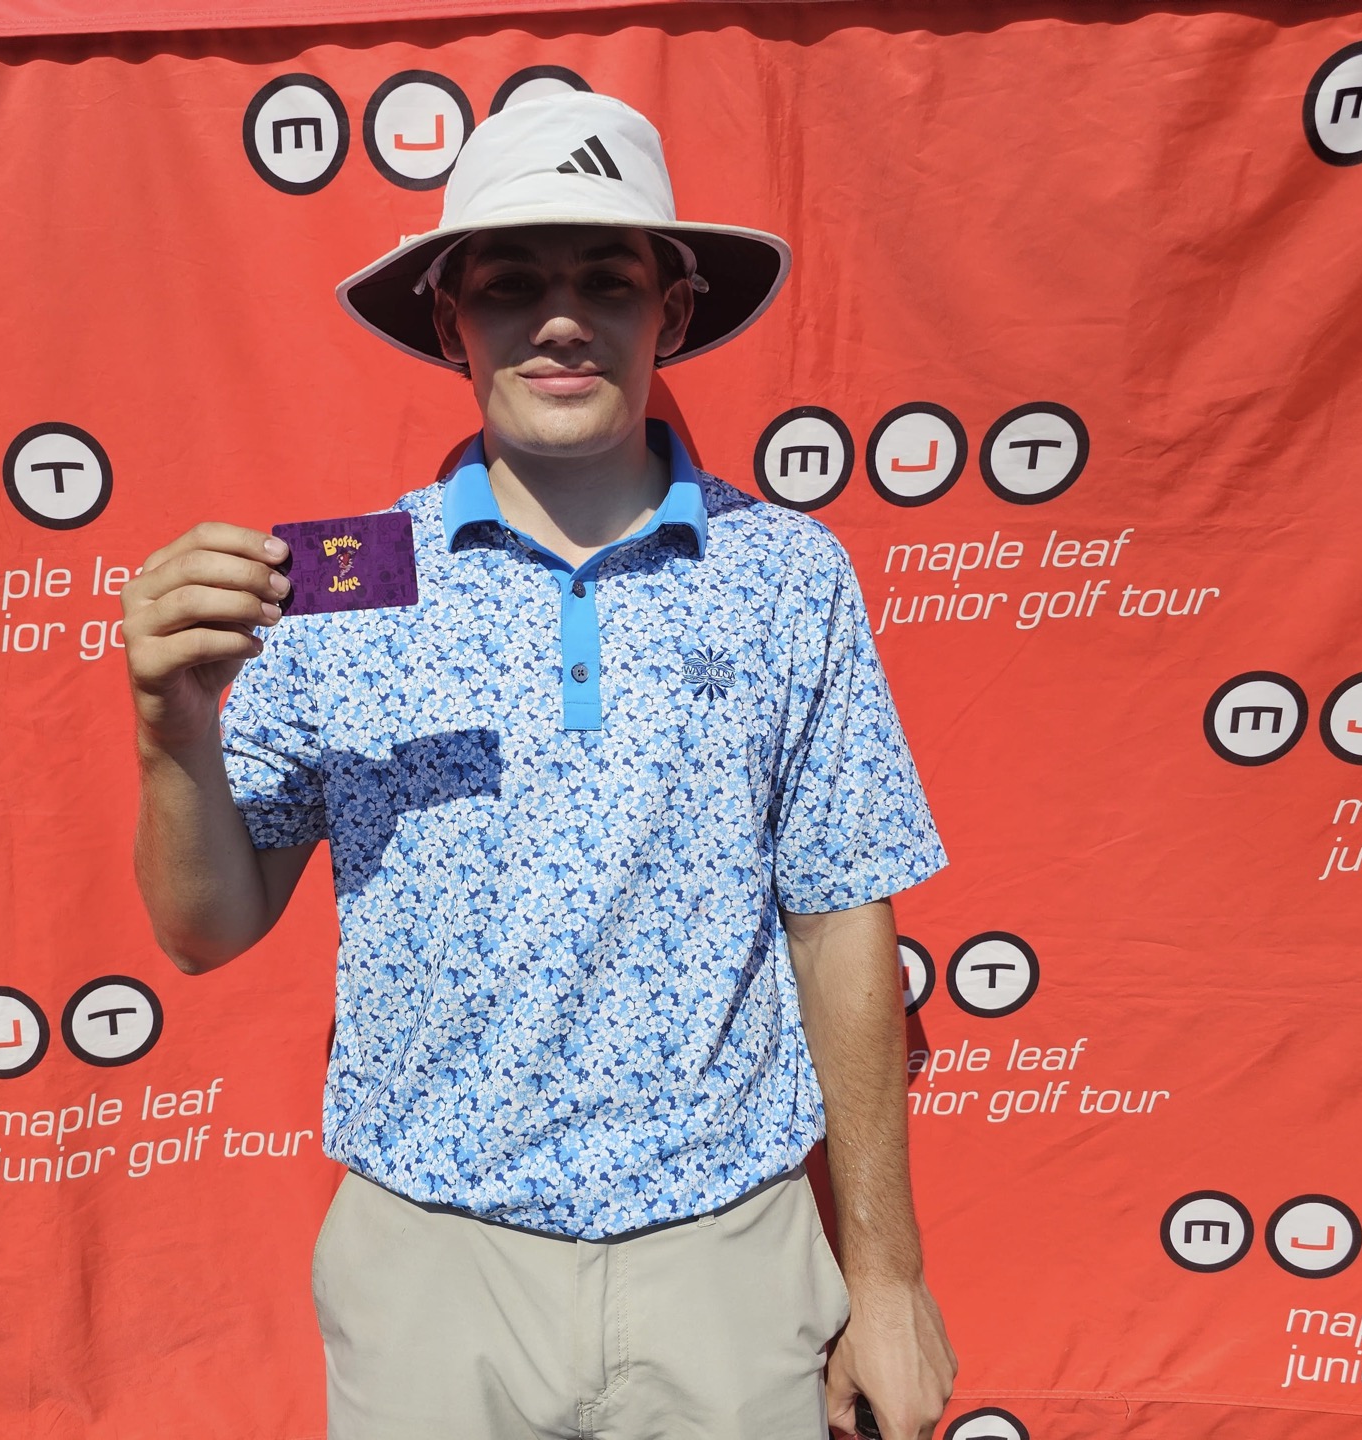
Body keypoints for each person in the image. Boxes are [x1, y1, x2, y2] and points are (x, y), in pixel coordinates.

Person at [120, 91, 956, 1440]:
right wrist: (172, 731)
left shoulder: (788, 576)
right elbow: (202, 930)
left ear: (672, 312)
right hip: (430, 1267)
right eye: (510, 284)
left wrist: (889, 1278)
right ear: (449, 320)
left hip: (727, 1258)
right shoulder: (341, 593)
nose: (560, 321)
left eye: (606, 281)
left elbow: (841, 922)